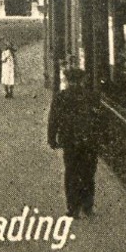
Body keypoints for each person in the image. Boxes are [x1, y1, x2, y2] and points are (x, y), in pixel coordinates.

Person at [48, 68, 104, 218]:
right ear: (82, 80)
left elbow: (53, 119)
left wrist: (52, 139)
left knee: (71, 172)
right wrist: (100, 139)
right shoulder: (91, 96)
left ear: (67, 80)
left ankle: (73, 208)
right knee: (88, 173)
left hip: (70, 141)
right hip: (89, 141)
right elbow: (99, 120)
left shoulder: (60, 97)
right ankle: (87, 206)